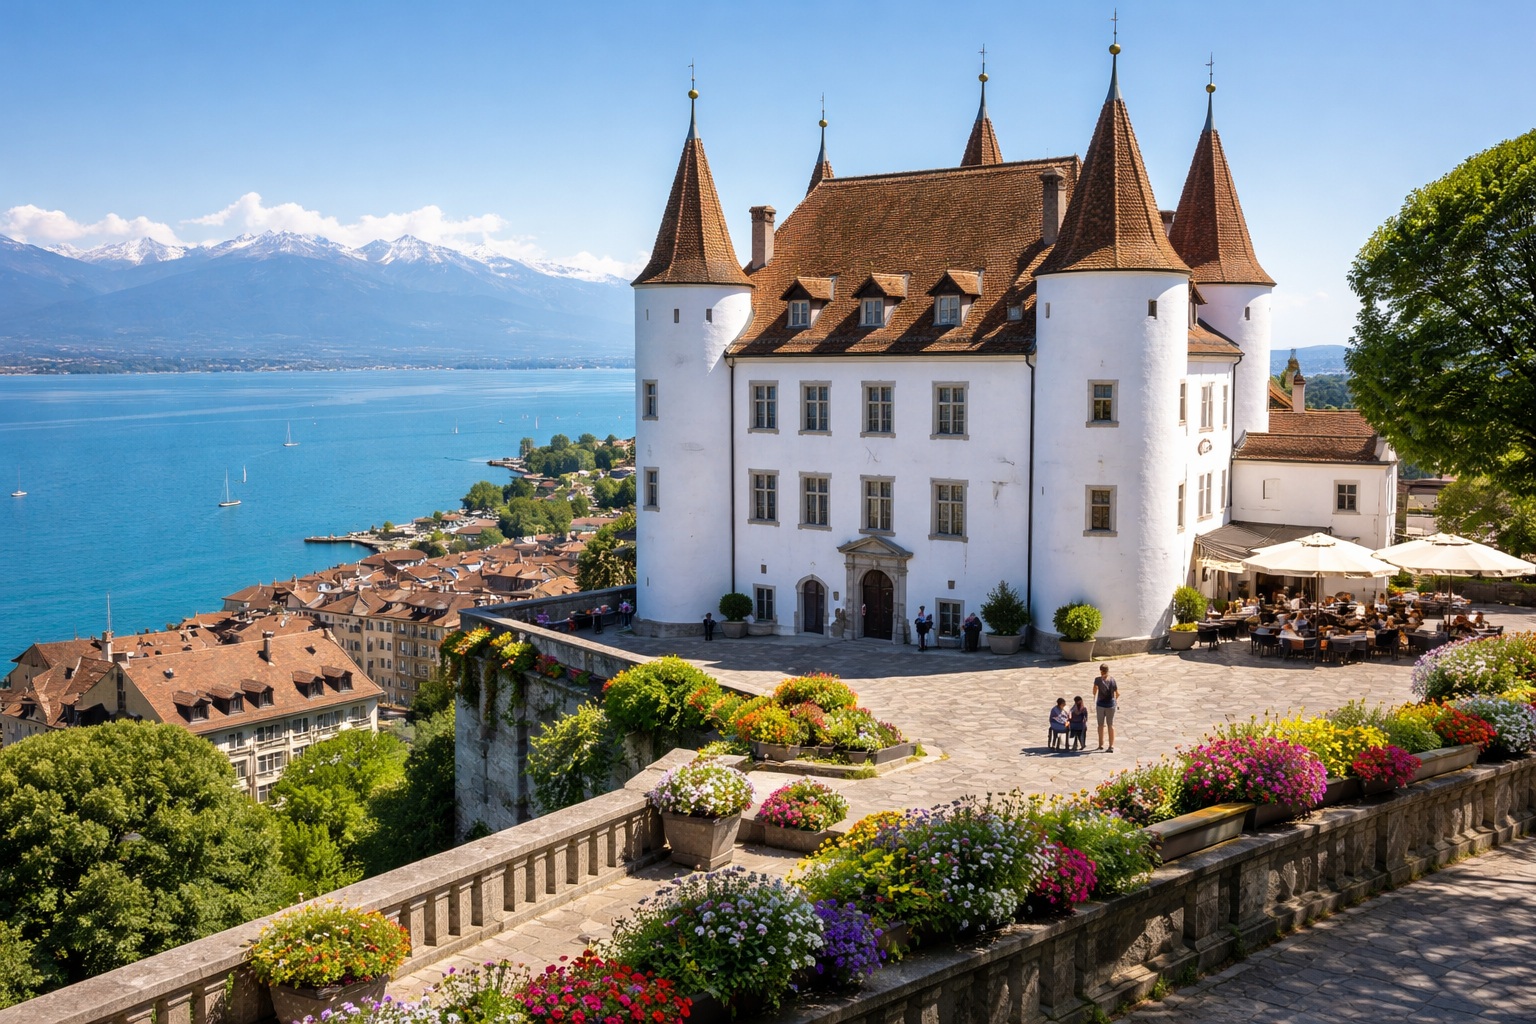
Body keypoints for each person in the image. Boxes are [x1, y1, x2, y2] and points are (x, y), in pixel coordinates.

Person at [1092, 663, 1119, 752]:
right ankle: (1111, 745)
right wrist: (1115, 701)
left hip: (1100, 705)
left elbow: (1094, 691)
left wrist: (1095, 693)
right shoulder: (1112, 680)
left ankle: (1101, 744)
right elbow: (1117, 693)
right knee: (1110, 725)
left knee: (1100, 725)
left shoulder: (1098, 680)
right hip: (1111, 705)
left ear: (1101, 671)